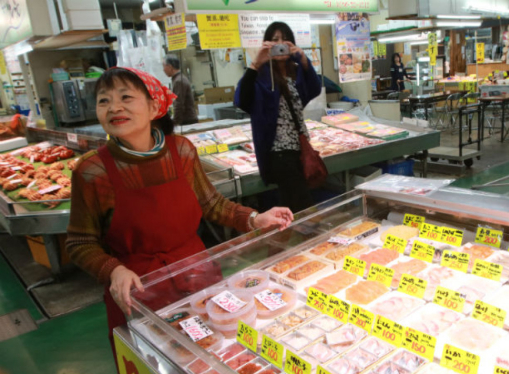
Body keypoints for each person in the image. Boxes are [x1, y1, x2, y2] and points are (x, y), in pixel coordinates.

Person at [66, 67, 293, 371]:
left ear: (154, 106)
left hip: (197, 275)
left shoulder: (182, 151)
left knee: (216, 356)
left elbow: (212, 204)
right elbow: (80, 242)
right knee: (157, 363)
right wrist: (113, 270)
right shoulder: (92, 171)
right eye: (103, 101)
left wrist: (254, 218)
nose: (114, 107)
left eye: (125, 98)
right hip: (138, 290)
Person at [235, 22, 322, 212]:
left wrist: (306, 62)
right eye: (275, 40)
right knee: (304, 208)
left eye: (285, 39)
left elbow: (314, 89)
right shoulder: (261, 75)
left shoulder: (295, 71)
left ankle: (296, 237)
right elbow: (241, 100)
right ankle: (312, 237)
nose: (280, 44)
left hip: (299, 149)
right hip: (278, 153)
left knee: (294, 206)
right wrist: (256, 63)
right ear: (267, 44)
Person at [163, 54, 198, 125]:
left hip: (186, 121)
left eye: (164, 66)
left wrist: (174, 123)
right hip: (187, 120)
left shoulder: (178, 81)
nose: (163, 69)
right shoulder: (179, 78)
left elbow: (178, 104)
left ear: (169, 67)